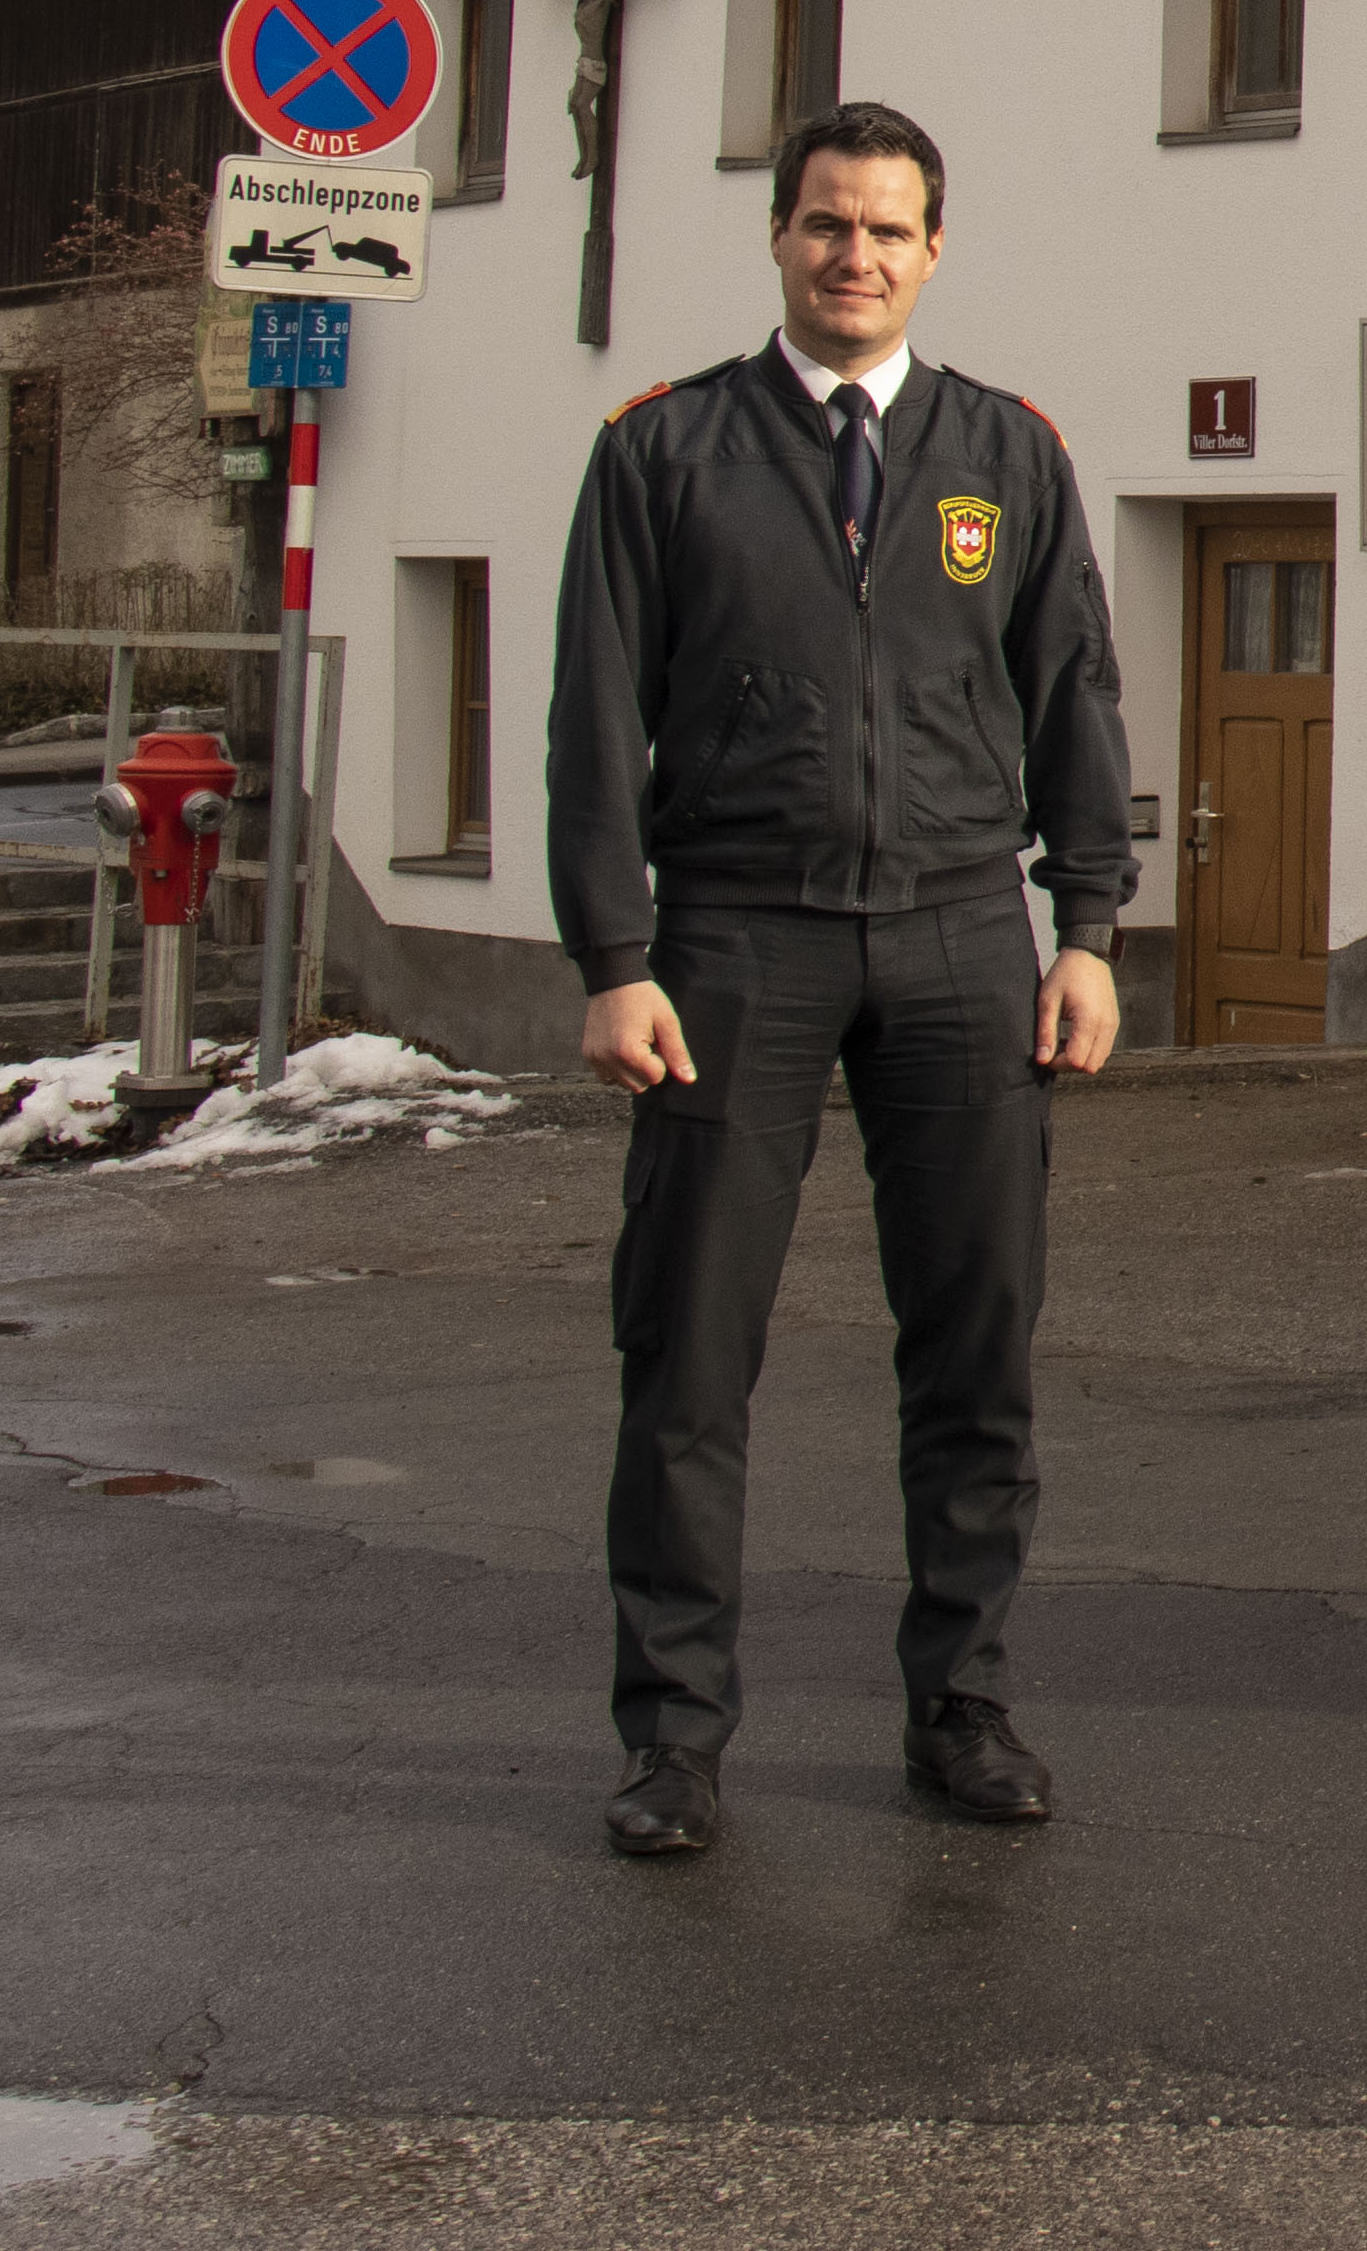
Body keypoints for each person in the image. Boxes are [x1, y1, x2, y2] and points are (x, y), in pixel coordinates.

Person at [556, 100, 1131, 1858]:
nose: (855, 255)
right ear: (781, 239)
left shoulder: (1006, 454)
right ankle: (673, 1741)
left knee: (977, 1349)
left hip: (966, 934)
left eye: (887, 230)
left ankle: (962, 1706)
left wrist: (1090, 928)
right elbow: (592, 720)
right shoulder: (667, 451)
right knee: (691, 1351)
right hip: (736, 935)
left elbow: (1075, 702)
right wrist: (615, 957)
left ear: (933, 248)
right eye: (826, 225)